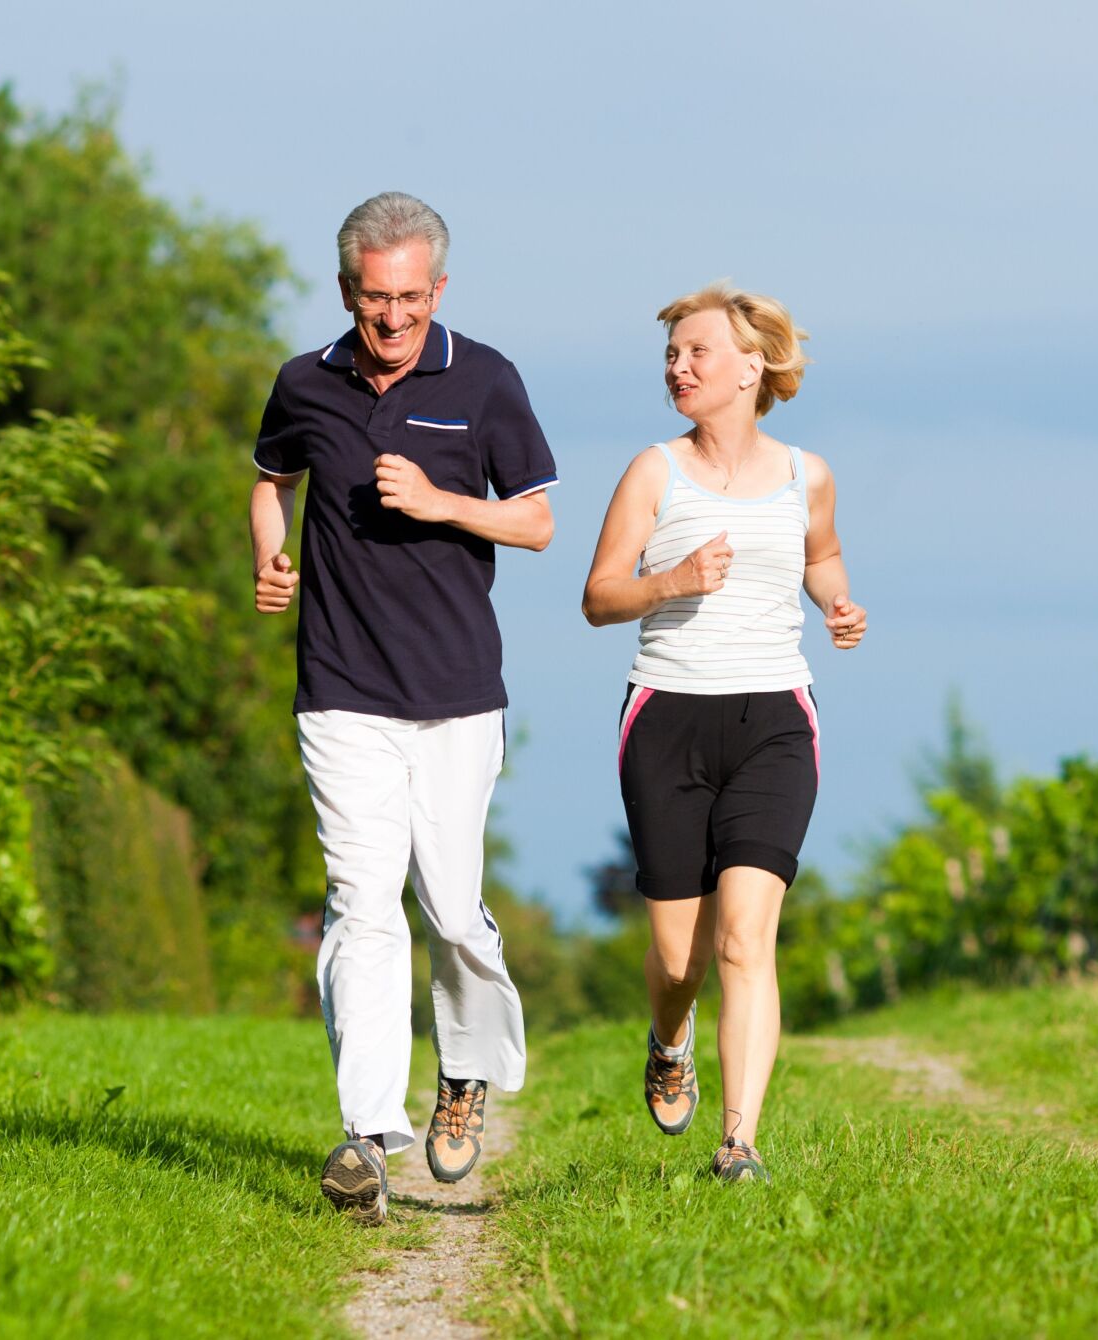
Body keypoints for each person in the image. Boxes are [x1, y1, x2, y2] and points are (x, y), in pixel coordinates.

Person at [250, 191, 557, 1224]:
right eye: (376, 299)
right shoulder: (304, 382)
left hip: (458, 695)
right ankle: (364, 1134)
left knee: (451, 908)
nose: (393, 319)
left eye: (412, 299)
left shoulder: (486, 379)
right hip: (341, 690)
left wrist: (441, 503)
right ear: (347, 290)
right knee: (361, 900)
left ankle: (464, 1072)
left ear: (439, 289)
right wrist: (271, 552)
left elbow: (540, 523)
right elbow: (267, 477)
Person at [581, 282, 867, 1183]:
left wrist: (837, 604)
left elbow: (820, 557)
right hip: (667, 715)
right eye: (670, 355)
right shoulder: (654, 471)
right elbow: (599, 596)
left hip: (775, 718)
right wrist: (673, 580)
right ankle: (670, 1039)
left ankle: (738, 1144)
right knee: (680, 956)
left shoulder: (806, 474)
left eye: (696, 352)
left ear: (753, 366)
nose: (678, 367)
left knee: (747, 936)